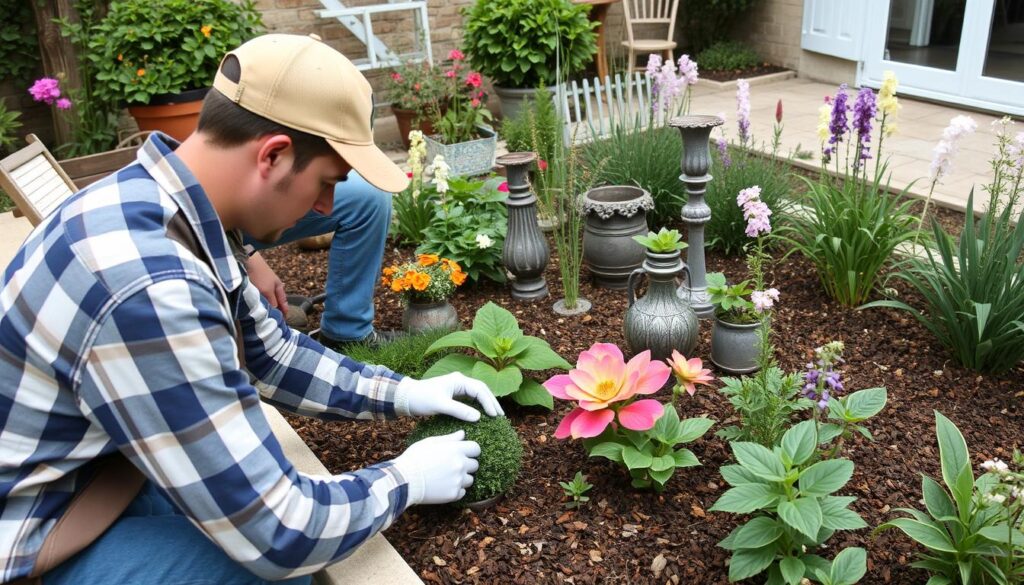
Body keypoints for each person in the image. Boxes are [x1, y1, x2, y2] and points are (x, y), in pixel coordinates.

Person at [0, 33, 503, 585]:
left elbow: (271, 352)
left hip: (88, 480)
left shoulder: (156, 206)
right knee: (272, 573)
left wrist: (405, 393)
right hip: (30, 535)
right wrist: (406, 479)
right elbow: (281, 534)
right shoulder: (149, 285)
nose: (326, 208)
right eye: (327, 183)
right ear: (273, 154)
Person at [243, 171, 396, 347]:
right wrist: (246, 255)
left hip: (254, 185)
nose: (325, 207)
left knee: (368, 194)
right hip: (215, 217)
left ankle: (345, 334)